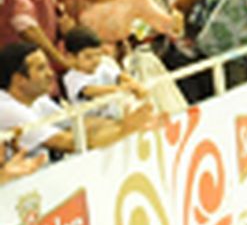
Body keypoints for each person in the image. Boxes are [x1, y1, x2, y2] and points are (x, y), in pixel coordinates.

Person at [0, 41, 154, 166]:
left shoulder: (38, 99)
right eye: (41, 69)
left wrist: (120, 124)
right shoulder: (8, 109)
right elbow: (68, 142)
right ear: (19, 79)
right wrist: (124, 130)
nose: (50, 73)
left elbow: (79, 124)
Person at [60, 26, 148, 119]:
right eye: (88, 57)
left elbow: (119, 76)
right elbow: (88, 91)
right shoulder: (71, 77)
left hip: (114, 116)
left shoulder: (102, 67)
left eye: (98, 54)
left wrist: (134, 84)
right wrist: (118, 88)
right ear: (71, 57)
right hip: (91, 123)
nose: (95, 60)